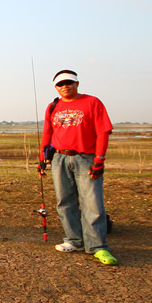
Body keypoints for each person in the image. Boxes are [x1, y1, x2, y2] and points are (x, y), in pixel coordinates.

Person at [37, 69, 117, 265]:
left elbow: (103, 132)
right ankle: (74, 240)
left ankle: (97, 247)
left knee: (93, 203)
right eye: (61, 84)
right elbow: (47, 133)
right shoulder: (52, 106)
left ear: (77, 84)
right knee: (64, 201)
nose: (65, 87)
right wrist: (42, 159)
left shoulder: (92, 102)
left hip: (86, 158)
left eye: (69, 83)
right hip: (60, 159)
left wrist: (99, 160)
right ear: (55, 87)